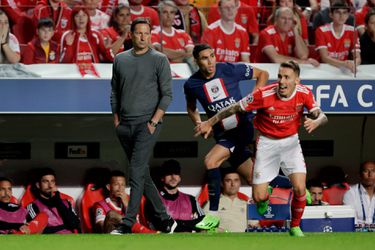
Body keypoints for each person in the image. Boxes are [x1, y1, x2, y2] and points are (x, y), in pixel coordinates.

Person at [195, 60, 328, 237]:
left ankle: (295, 227)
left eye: (287, 77)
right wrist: (209, 122)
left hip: (290, 144)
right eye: (280, 76)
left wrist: (316, 121)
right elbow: (234, 108)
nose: (281, 81)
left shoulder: (304, 93)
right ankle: (267, 192)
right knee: (258, 197)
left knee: (300, 189)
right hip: (267, 144)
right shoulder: (263, 94)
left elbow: (322, 116)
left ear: (297, 80)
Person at [184, 43, 269, 230]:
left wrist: (253, 98)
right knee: (255, 183)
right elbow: (191, 108)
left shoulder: (229, 69)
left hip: (242, 127)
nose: (210, 61)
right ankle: (267, 192)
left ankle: (213, 215)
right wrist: (199, 123)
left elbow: (263, 74)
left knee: (211, 161)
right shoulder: (192, 84)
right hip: (223, 134)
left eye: (212, 55)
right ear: (197, 61)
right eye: (205, 58)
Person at [110, 18, 175, 234]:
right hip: (124, 126)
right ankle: (166, 219)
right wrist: (116, 119)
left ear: (150, 35)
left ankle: (128, 222)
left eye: (146, 33)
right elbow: (114, 92)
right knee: (142, 174)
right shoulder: (120, 60)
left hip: (148, 124)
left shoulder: (160, 60)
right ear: (131, 34)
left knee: (135, 171)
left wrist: (154, 121)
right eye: (139, 33)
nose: (143, 37)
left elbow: (167, 95)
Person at [145, 159, 206, 232]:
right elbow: (159, 225)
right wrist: (190, 225)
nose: (173, 177)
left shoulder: (191, 199)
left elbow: (203, 221)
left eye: (176, 173)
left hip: (189, 241)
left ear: (180, 177)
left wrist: (176, 223)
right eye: (169, 173)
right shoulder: (154, 199)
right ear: (162, 178)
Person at [255, 7, 319, 66]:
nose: (286, 22)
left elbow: (303, 55)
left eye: (290, 19)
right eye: (283, 18)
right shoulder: (266, 33)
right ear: (276, 19)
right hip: (266, 72)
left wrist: (296, 31)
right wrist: (303, 62)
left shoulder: (292, 33)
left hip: (286, 71)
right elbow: (276, 59)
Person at [26, 168, 81, 234]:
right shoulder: (33, 206)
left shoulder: (66, 203)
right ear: (38, 185)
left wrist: (58, 200)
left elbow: (75, 224)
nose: (50, 185)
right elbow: (37, 231)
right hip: (48, 241)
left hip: (70, 239)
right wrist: (64, 227)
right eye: (45, 181)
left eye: (52, 181)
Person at [315, 1, 361, 73]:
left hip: (342, 70)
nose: (341, 16)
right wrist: (343, 64)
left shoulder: (353, 31)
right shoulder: (321, 30)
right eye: (337, 12)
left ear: (348, 15)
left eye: (344, 13)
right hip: (324, 69)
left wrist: (354, 64)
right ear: (331, 15)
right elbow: (324, 58)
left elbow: (357, 57)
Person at [343, 161, 375, 225]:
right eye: (366, 171)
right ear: (360, 175)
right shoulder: (350, 193)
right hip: (358, 232)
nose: (370, 175)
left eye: (373, 171)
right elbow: (350, 220)